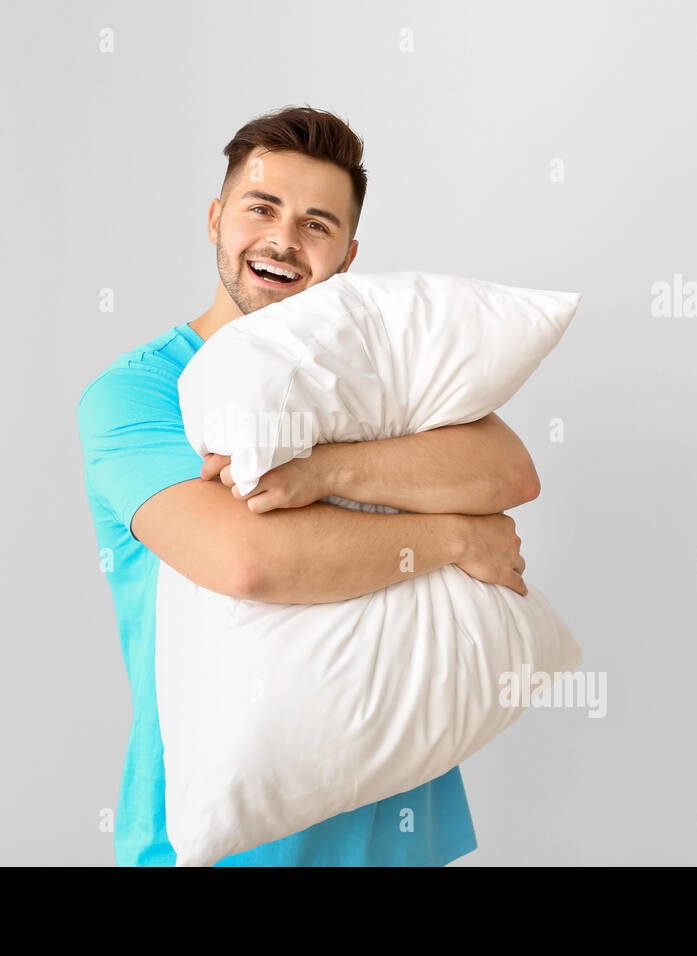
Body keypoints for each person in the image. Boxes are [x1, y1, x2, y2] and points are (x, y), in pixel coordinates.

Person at [76, 105, 536, 866]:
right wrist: (460, 534)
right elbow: (248, 562)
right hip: (219, 843)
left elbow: (509, 471)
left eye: (317, 224)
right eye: (263, 208)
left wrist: (319, 470)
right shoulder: (137, 395)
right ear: (218, 217)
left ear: (347, 257)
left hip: (399, 831)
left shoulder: (372, 374)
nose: (285, 240)